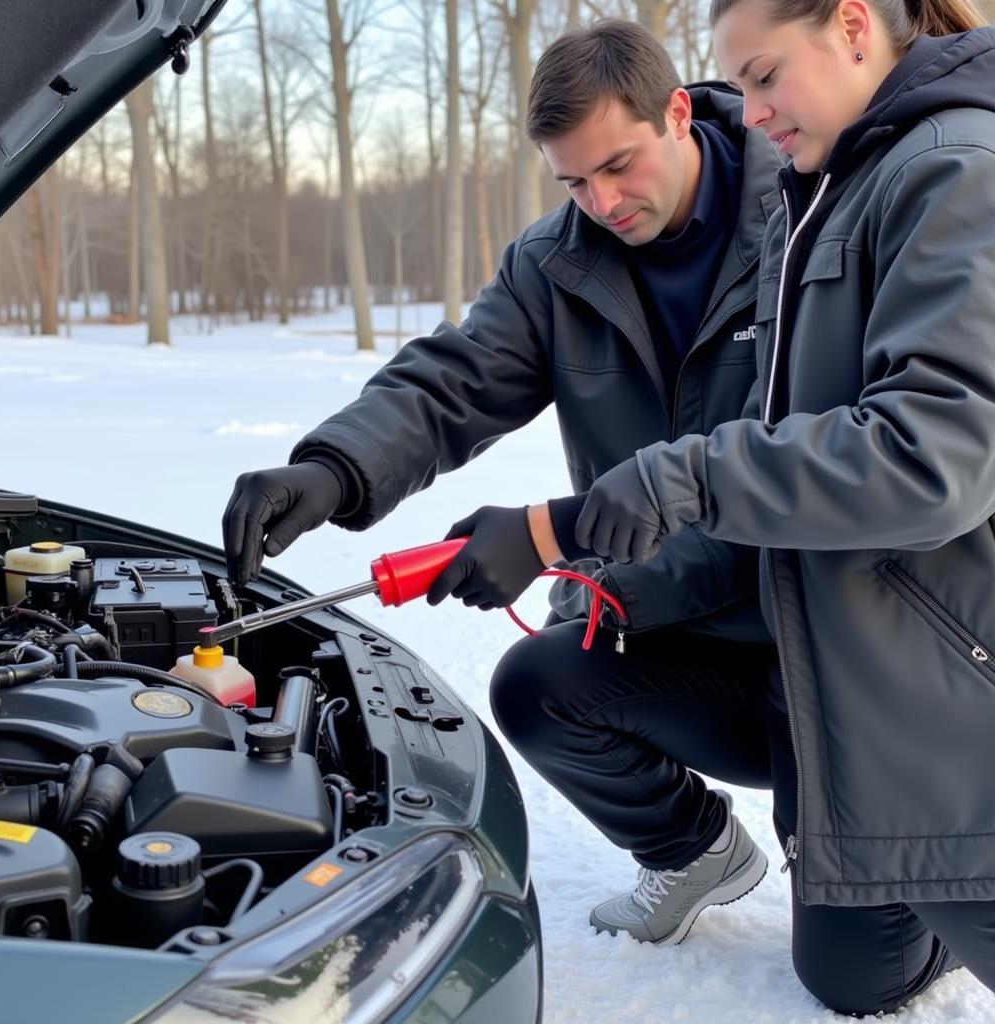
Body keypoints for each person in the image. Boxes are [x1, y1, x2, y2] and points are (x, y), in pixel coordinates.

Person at [223, 20, 786, 945]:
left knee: (857, 974)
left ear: (678, 112)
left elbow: (802, 481)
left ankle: (901, 837)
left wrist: (550, 541)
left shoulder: (806, 222)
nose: (600, 201)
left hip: (817, 643)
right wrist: (329, 469)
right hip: (681, 630)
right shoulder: (558, 263)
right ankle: (693, 851)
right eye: (572, 180)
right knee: (536, 687)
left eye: (619, 166)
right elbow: (453, 381)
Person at [539, 0, 995, 1011]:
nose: (744, 112)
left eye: (760, 74)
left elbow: (934, 458)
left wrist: (676, 477)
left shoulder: (953, 165)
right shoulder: (835, 181)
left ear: (851, 24)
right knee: (849, 974)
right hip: (847, 661)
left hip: (957, 689)